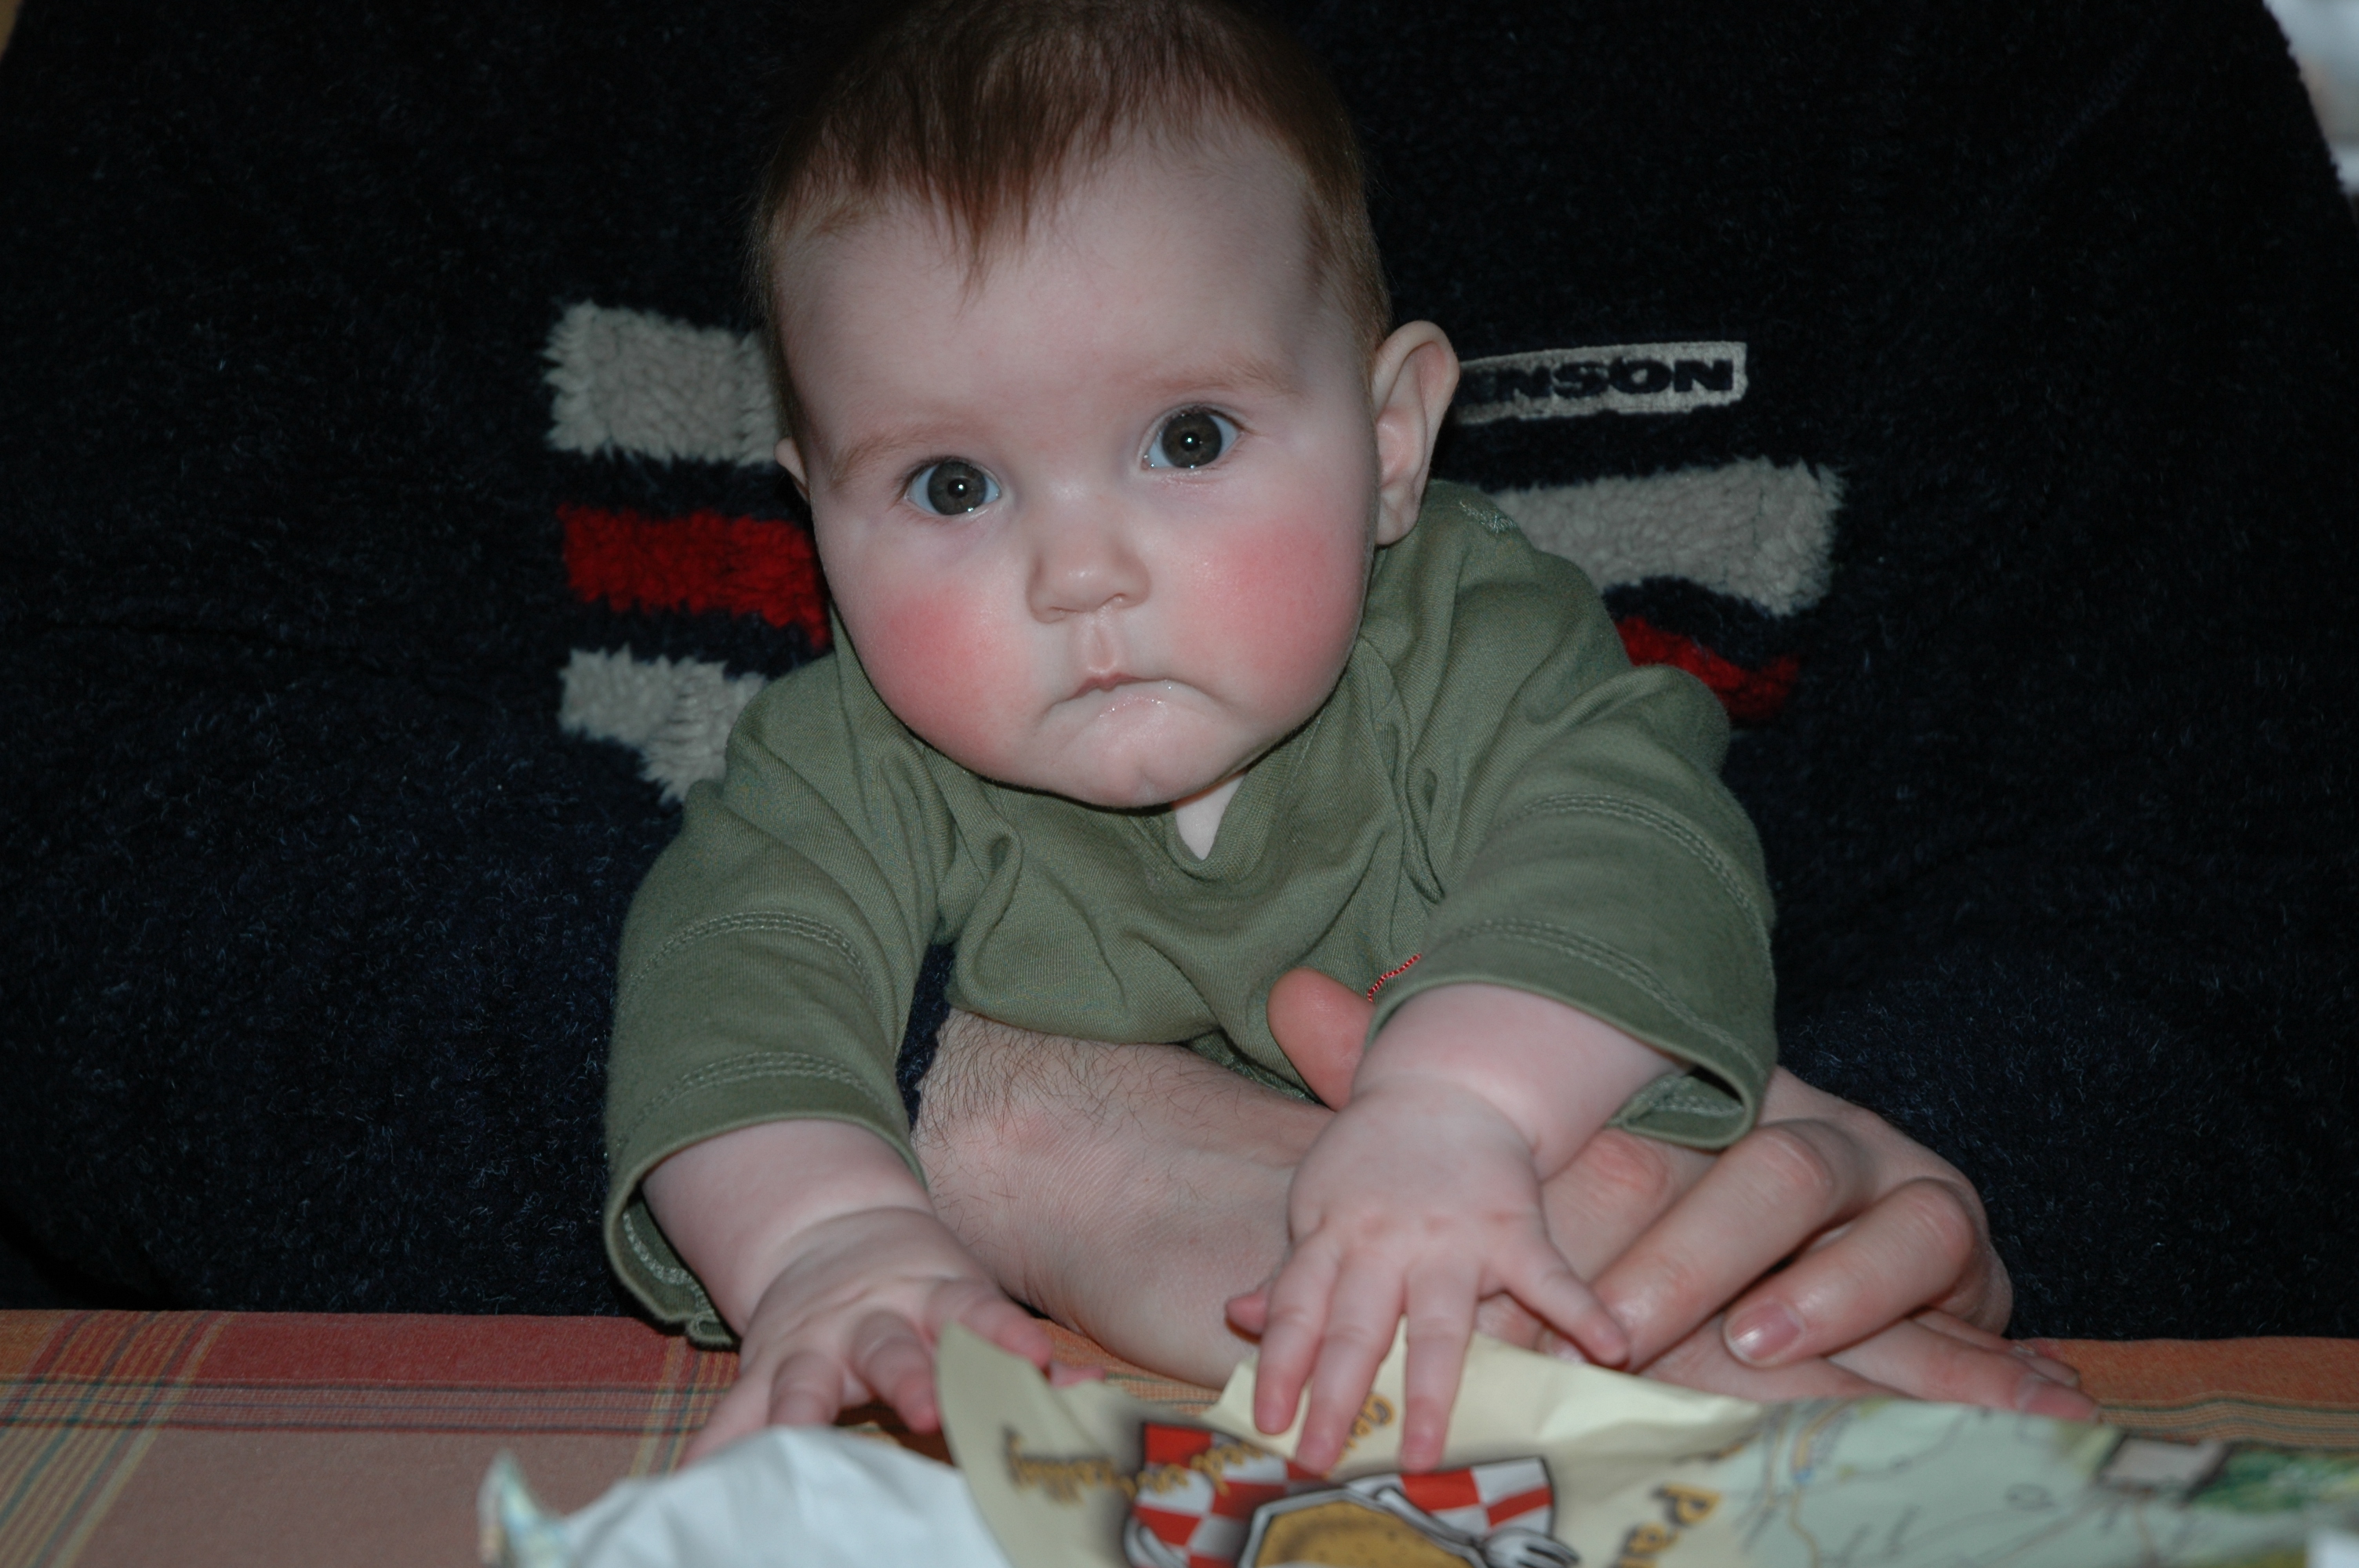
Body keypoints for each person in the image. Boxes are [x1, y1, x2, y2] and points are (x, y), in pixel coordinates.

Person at [606, 0, 2094, 1472]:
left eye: (1188, 439)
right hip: (1170, 1390)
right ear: (817, 511)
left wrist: (1459, 1106)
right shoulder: (845, 760)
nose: (1079, 574)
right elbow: (726, 989)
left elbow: (1633, 838)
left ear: (1390, 444)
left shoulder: (1469, 636)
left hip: (1628, 1268)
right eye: (950, 486)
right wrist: (828, 1239)